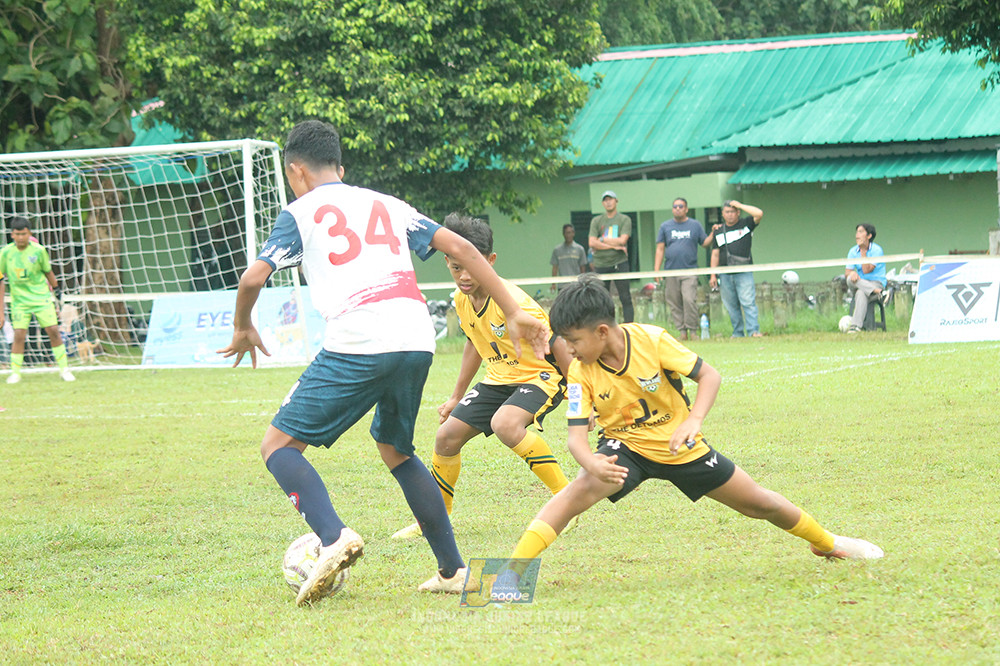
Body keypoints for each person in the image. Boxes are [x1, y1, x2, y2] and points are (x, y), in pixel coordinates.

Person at [217, 120, 551, 604]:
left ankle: (333, 538)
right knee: (396, 449)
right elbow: (461, 248)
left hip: (360, 335)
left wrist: (243, 325)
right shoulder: (385, 203)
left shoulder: (299, 211)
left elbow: (252, 278)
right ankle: (454, 570)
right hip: (416, 335)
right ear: (341, 167)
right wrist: (516, 309)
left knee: (278, 447)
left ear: (296, 172)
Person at [496, 275, 883, 594]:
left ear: (601, 331)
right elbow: (576, 437)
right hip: (625, 447)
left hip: (681, 446)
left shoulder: (652, 340)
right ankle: (511, 575)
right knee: (575, 493)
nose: (568, 350)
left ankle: (828, 543)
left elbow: (709, 375)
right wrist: (591, 462)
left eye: (574, 341)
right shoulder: (580, 370)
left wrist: (694, 419)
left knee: (760, 504)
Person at [392, 215, 575, 540]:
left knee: (505, 424)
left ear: (489, 261)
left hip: (540, 376)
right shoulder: (462, 300)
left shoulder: (513, 302)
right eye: (455, 267)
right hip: (498, 378)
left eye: (470, 268)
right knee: (446, 437)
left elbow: (557, 342)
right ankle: (436, 519)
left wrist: (577, 395)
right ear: (447, 260)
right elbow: (475, 343)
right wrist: (456, 396)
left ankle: (567, 503)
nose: (463, 276)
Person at [0, 217, 75, 384]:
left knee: (53, 331)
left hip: (41, 298)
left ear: (29, 233)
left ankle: (64, 369)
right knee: (19, 335)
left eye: (24, 234)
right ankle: (15, 373)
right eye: (17, 234)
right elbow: (1, 280)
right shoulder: (5, 253)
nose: (20, 237)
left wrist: (56, 290)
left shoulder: (39, 250)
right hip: (19, 301)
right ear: (12, 234)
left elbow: (48, 271)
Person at [653, 198, 715, 340]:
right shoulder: (665, 226)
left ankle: (692, 331)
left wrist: (712, 233)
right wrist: (656, 271)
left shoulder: (695, 225)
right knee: (674, 302)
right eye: (675, 206)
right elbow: (660, 249)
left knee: (688, 299)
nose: (678, 209)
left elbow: (704, 243)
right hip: (671, 271)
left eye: (681, 206)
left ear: (686, 209)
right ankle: (682, 332)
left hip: (690, 271)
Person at [709, 200, 764, 338]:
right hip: (725, 274)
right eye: (727, 212)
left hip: (743, 271)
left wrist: (740, 205)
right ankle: (737, 333)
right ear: (723, 214)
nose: (730, 215)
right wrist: (713, 275)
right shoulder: (718, 231)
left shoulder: (746, 224)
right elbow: (715, 254)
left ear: (738, 213)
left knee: (748, 302)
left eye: (733, 212)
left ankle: (753, 331)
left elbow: (759, 213)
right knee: (731, 305)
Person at [588, 191, 634, 323]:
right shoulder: (596, 220)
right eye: (605, 200)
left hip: (620, 263)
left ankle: (628, 327)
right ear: (602, 203)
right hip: (601, 264)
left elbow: (622, 240)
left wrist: (601, 240)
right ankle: (606, 326)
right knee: (602, 299)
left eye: (611, 199)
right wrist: (613, 246)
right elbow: (591, 243)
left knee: (625, 297)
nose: (608, 202)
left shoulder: (624, 219)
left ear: (616, 201)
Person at [845, 223, 888, 334]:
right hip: (860, 283)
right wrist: (852, 273)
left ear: (869, 236)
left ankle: (855, 327)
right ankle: (880, 293)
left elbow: (866, 270)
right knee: (849, 279)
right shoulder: (852, 251)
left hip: (875, 283)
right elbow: (847, 272)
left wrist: (863, 252)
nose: (857, 235)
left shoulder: (877, 250)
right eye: (857, 232)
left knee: (861, 293)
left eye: (860, 232)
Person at [550, 223, 589, 292]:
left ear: (573, 233)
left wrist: (583, 283)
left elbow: (582, 268)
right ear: (563, 234)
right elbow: (554, 268)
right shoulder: (557, 250)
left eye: (570, 233)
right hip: (562, 286)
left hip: (576, 285)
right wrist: (553, 284)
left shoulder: (580, 249)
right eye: (566, 233)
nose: (568, 235)